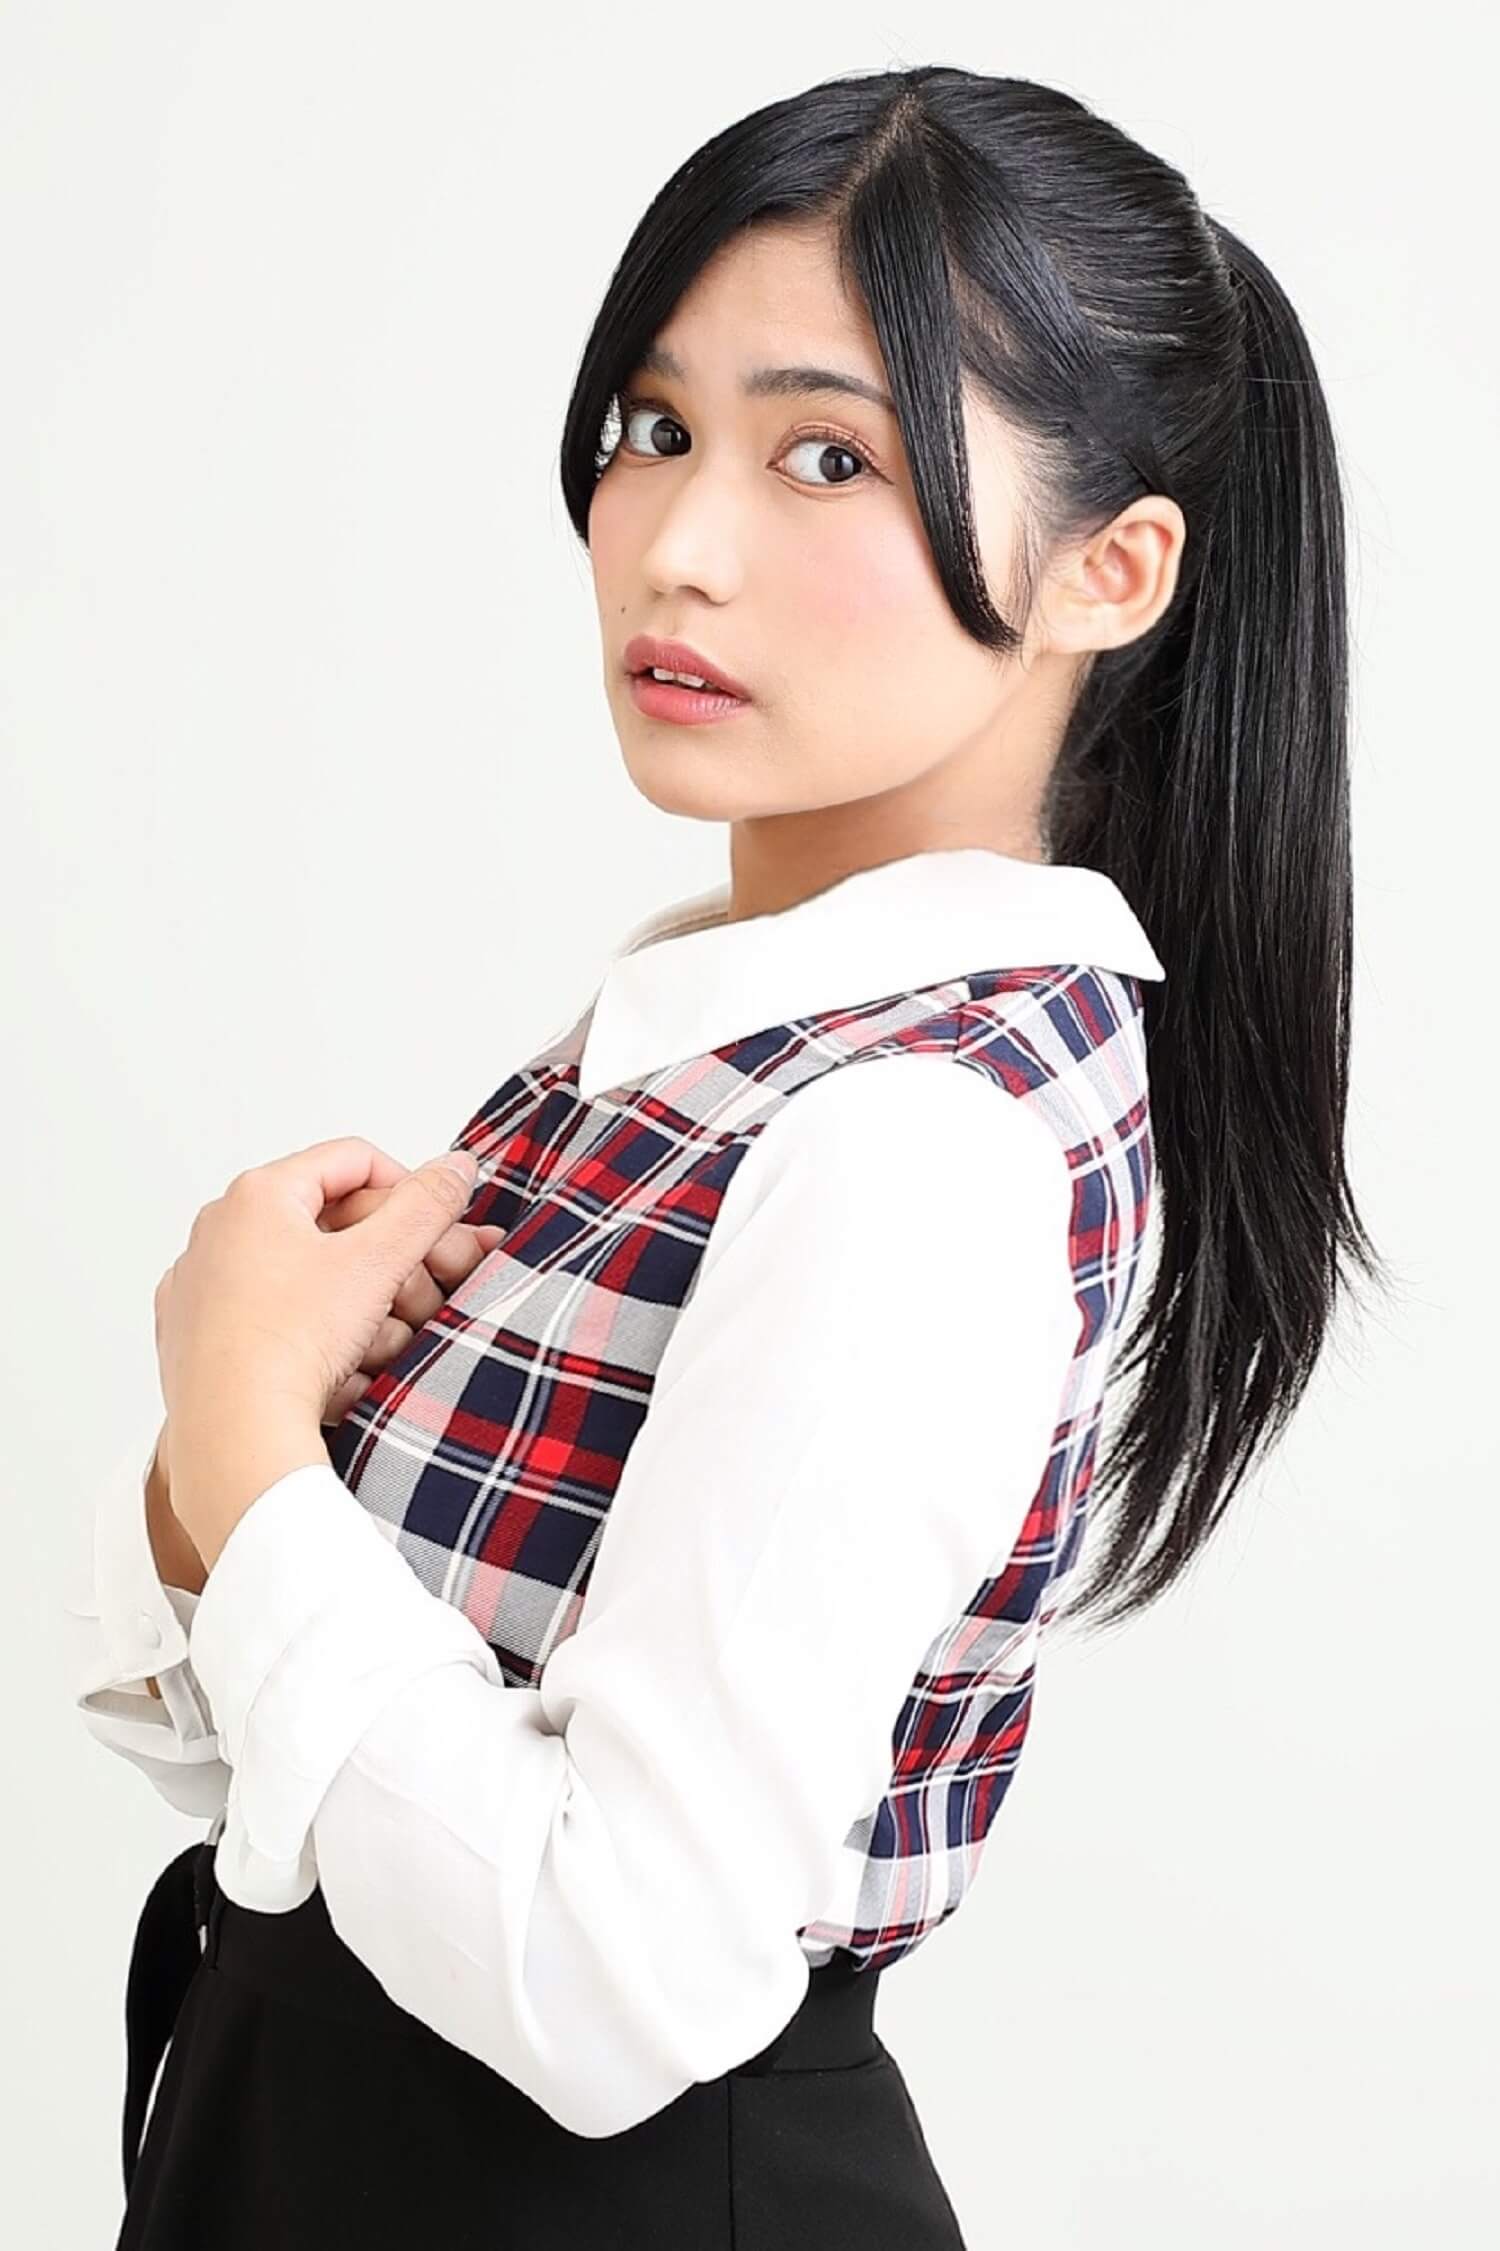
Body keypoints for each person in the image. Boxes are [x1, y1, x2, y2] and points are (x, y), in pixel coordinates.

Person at [67, 59, 1390, 2250]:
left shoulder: (914, 1144)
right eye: (654, 428)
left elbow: (607, 1982)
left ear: (1111, 569)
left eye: (827, 457)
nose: (676, 544)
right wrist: (236, 1454)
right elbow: (303, 1771)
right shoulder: (699, 1040)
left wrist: (239, 1425)